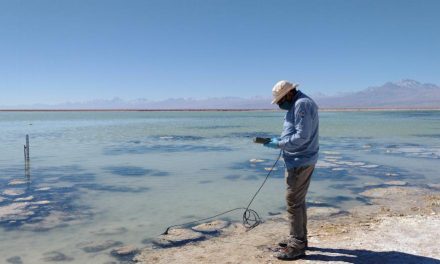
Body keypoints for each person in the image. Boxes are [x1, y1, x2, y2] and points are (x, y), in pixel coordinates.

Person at [263, 80, 319, 260]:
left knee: (293, 202)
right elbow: (296, 131)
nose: (280, 104)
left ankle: (296, 246)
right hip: (298, 159)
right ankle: (299, 240)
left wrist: (279, 144)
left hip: (300, 160)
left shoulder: (302, 104)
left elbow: (302, 136)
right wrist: (280, 141)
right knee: (298, 201)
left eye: (280, 100)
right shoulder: (297, 103)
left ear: (289, 93)